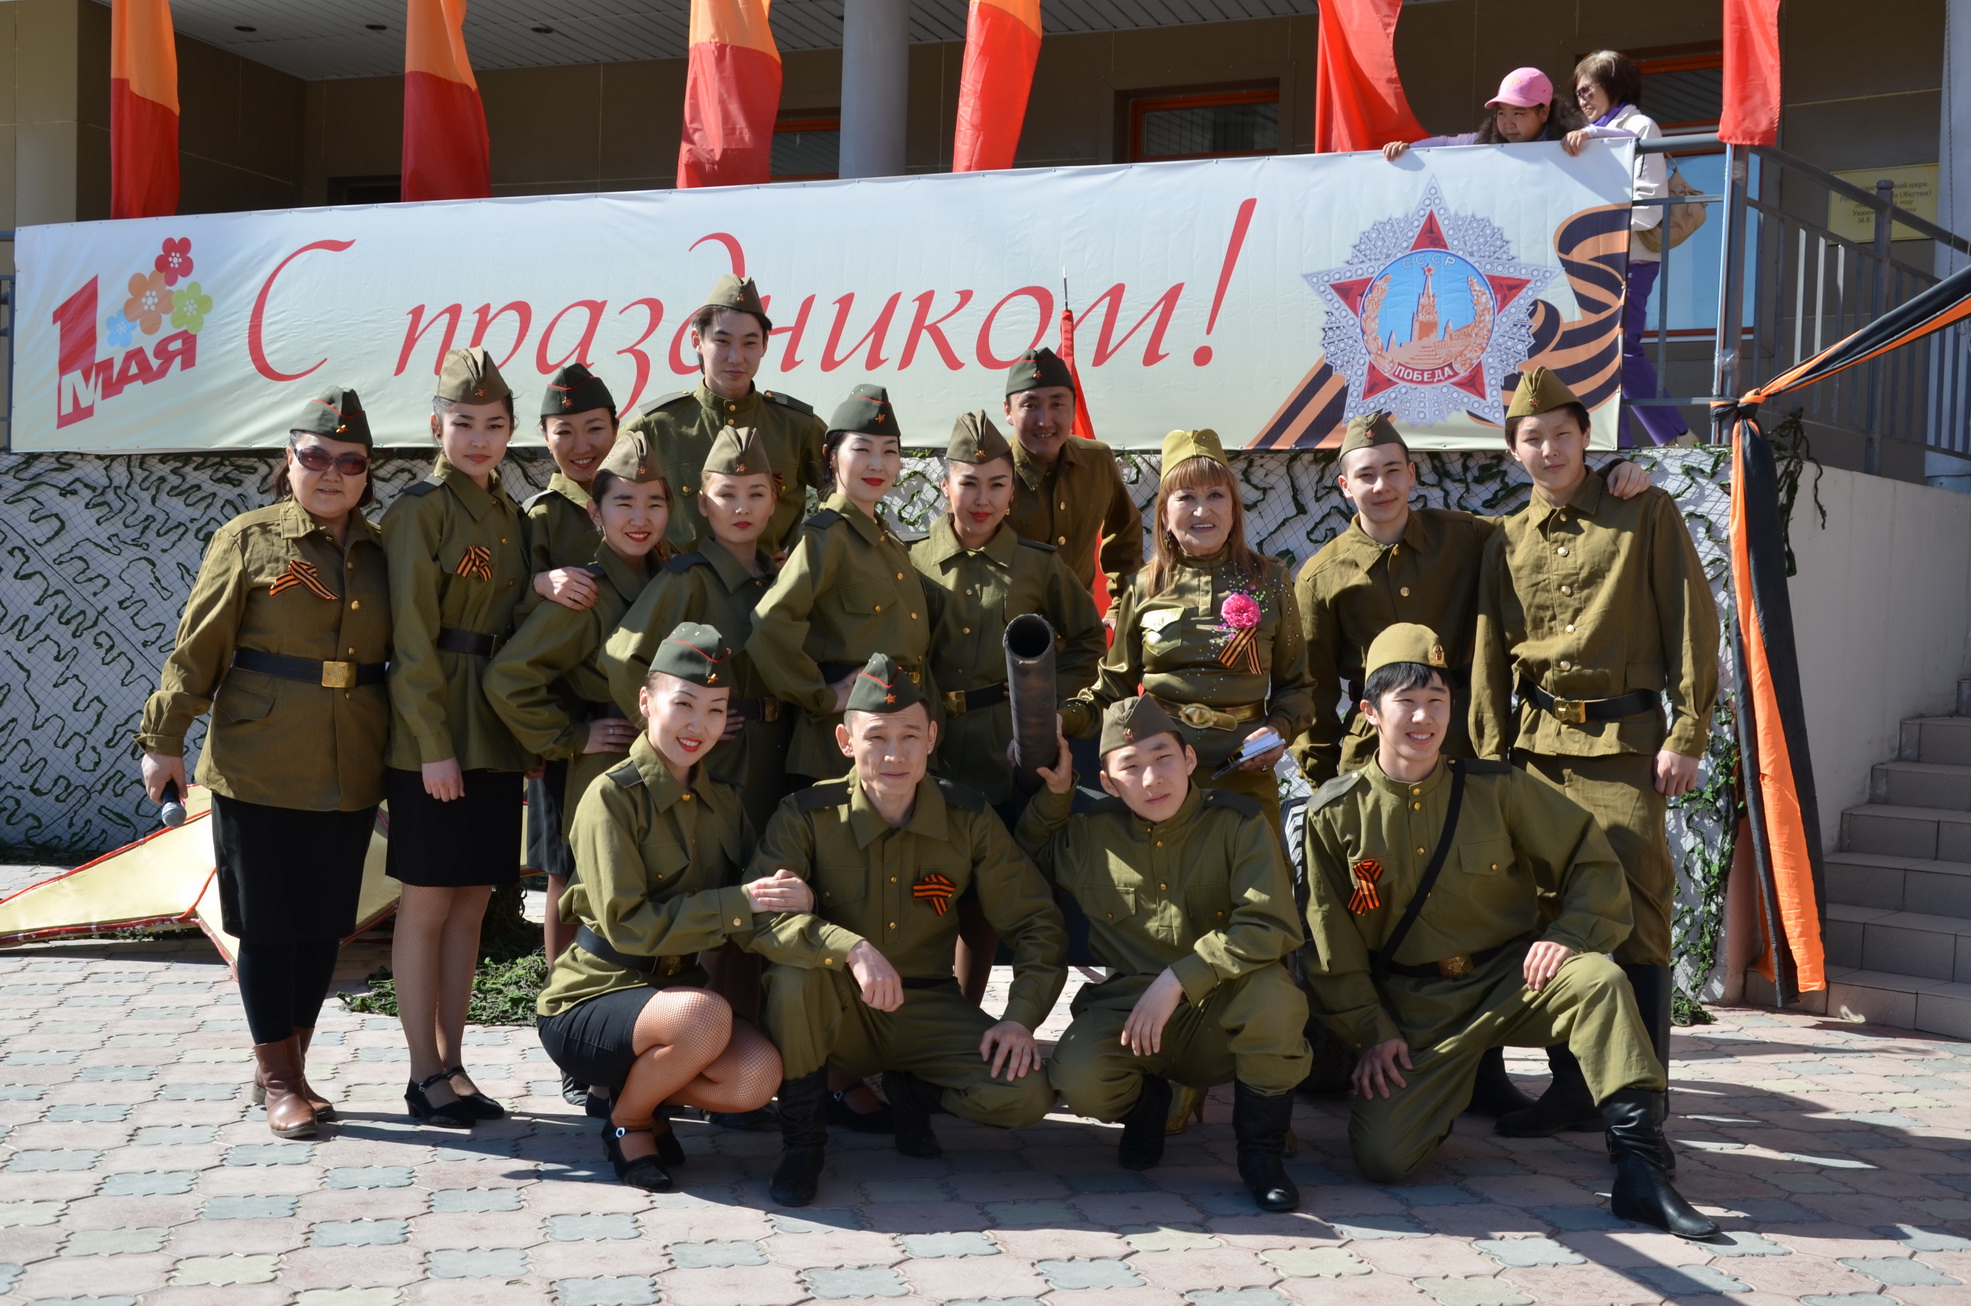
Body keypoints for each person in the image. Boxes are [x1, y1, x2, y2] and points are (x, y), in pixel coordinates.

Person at [1301, 623, 1716, 1239]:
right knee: (1385, 1160)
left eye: (1437, 700)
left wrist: (1569, 935)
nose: (1424, 717)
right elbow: (1330, 942)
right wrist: (1373, 1031)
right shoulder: (1336, 814)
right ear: (1370, 713)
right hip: (1418, 1011)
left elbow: (1590, 860)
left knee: (1598, 980)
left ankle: (1640, 1168)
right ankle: (1444, 1092)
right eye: (1406, 701)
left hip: (1511, 980)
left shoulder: (1496, 790)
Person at [1290, 413, 1651, 1116]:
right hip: (1377, 759)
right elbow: (1311, 688)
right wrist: (1324, 777)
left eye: (1393, 470)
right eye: (1366, 475)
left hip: (1464, 741)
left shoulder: (1466, 536)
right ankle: (1378, 1049)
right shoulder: (1323, 574)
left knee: (1481, 905)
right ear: (1343, 486)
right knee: (1375, 910)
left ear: (1412, 474)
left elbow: (1546, 514)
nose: (1382, 486)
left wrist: (1607, 479)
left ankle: (1489, 1071)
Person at [1471, 367, 1719, 1140]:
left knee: (1637, 911)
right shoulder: (1503, 540)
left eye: (1561, 434)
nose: (1548, 449)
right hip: (1537, 753)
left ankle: (1640, 1103)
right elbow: (1489, 657)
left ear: (1585, 437)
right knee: (1551, 909)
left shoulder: (1642, 510)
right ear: (1514, 450)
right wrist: (1489, 762)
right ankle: (1574, 1089)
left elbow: (1690, 622)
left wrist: (1686, 734)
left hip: (1624, 748)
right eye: (1531, 438)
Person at [136, 387, 389, 1140]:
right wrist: (164, 739)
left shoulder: (382, 551)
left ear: (368, 472)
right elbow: (198, 648)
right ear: (289, 458)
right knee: (272, 927)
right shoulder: (247, 539)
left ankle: (290, 1066)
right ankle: (279, 1080)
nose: (332, 472)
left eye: (351, 462)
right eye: (316, 456)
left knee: (323, 928)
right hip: (260, 761)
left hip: (352, 761)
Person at [746, 653, 1068, 1207]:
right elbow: (762, 918)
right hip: (837, 1008)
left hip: (927, 1006)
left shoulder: (968, 818)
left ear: (932, 739)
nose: (894, 754)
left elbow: (1036, 921)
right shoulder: (806, 815)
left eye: (910, 736)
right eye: (876, 737)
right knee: (794, 981)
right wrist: (849, 948)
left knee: (1023, 1095)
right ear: (846, 741)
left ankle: (914, 1092)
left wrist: (1019, 1018)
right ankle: (802, 1143)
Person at [536, 623, 798, 1191]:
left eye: (714, 710)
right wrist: (739, 903)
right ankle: (629, 1123)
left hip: (675, 1005)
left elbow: (756, 904)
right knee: (706, 1015)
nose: (697, 726)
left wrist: (809, 915)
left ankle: (641, 1095)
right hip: (592, 1000)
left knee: (757, 1076)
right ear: (646, 701)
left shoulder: (723, 802)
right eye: (683, 705)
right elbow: (628, 927)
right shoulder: (610, 797)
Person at [1021, 696, 1310, 1212]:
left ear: (1190, 759)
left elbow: (1270, 923)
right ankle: (1148, 1106)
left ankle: (1261, 1156)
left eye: (1163, 758)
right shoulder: (1090, 836)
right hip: (1132, 1013)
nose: (1152, 779)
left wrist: (1180, 977)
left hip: (1221, 1005)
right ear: (1108, 782)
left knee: (1275, 1000)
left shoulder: (1237, 824)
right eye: (1130, 767)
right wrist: (1059, 794)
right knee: (1080, 1078)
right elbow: (1027, 856)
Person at [380, 346, 533, 1130]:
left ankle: (454, 1063)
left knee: (471, 903)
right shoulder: (421, 511)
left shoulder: (510, 514)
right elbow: (409, 639)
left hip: (494, 732)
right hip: (433, 732)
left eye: (494, 424)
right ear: (436, 425)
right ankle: (421, 1072)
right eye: (464, 423)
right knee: (428, 903)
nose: (479, 438)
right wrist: (432, 744)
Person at [911, 411, 1106, 1003]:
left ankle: (967, 1014)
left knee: (986, 893)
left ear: (1012, 492)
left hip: (1005, 748)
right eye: (968, 483)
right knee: (926, 883)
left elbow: (1088, 640)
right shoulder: (911, 561)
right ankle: (920, 1012)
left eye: (997, 485)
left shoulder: (1037, 564)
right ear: (945, 485)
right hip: (930, 748)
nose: (982, 500)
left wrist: (1048, 704)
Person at [1061, 428, 1313, 834]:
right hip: (1160, 776)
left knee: (1262, 873)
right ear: (1164, 512)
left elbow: (1297, 687)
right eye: (1186, 497)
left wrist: (1277, 731)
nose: (1201, 510)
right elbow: (1113, 689)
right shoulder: (1142, 586)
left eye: (1215, 495)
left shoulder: (1271, 581)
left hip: (1244, 771)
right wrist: (1060, 720)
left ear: (1234, 508)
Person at [485, 429, 670, 980]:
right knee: (588, 895)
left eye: (654, 504)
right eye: (624, 503)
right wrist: (570, 737)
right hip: (604, 763)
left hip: (664, 760)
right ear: (595, 513)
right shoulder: (587, 593)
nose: (639, 518)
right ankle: (568, 1010)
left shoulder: (671, 581)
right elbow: (509, 678)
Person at [748, 384, 940, 787]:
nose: (877, 464)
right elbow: (769, 624)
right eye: (862, 449)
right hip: (839, 750)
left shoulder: (887, 542)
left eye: (889, 451)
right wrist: (822, 695)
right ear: (831, 457)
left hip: (900, 737)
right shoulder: (825, 538)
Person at [603, 425, 791, 835]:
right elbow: (621, 659)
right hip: (715, 758)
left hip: (780, 751)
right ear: (703, 503)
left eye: (756, 494)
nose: (741, 508)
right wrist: (670, 733)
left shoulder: (780, 579)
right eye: (727, 494)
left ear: (773, 502)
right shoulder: (686, 579)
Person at [518, 362, 623, 990]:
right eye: (565, 431)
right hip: (567, 720)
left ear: (617, 427)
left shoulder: (643, 497)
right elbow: (504, 609)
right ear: (544, 436)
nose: (582, 445)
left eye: (594, 428)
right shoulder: (539, 517)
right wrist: (537, 581)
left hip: (636, 713)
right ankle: (560, 1001)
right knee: (564, 865)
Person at [620, 275, 827, 557]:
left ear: (765, 345)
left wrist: (804, 557)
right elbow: (607, 500)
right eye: (722, 341)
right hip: (682, 581)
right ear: (697, 340)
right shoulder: (655, 427)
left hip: (774, 581)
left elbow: (845, 496)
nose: (736, 357)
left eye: (749, 343)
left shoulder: (796, 426)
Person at [1574, 49, 1693, 447]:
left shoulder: (1641, 126)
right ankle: (1615, 441)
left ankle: (1675, 437)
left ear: (1614, 86)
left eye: (1588, 89)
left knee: (1622, 349)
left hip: (1632, 256)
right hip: (1590, 257)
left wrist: (1595, 222)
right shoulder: (1581, 133)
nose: (1582, 98)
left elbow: (1649, 207)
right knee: (1596, 352)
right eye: (1578, 91)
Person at [1000, 347, 1142, 604]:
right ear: (1008, 411)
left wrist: (1121, 606)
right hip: (1008, 624)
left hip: (1080, 623)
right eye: (1030, 405)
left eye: (1057, 404)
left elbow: (1125, 537)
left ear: (1074, 407)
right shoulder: (992, 470)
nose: (1045, 421)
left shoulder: (1096, 460)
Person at [1381, 67, 1608, 157]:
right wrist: (1407, 149)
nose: (1507, 122)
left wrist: (1589, 135)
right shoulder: (1485, 139)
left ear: (1544, 113)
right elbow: (1445, 144)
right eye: (1501, 113)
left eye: (1518, 113)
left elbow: (1623, 139)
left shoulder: (1574, 140)